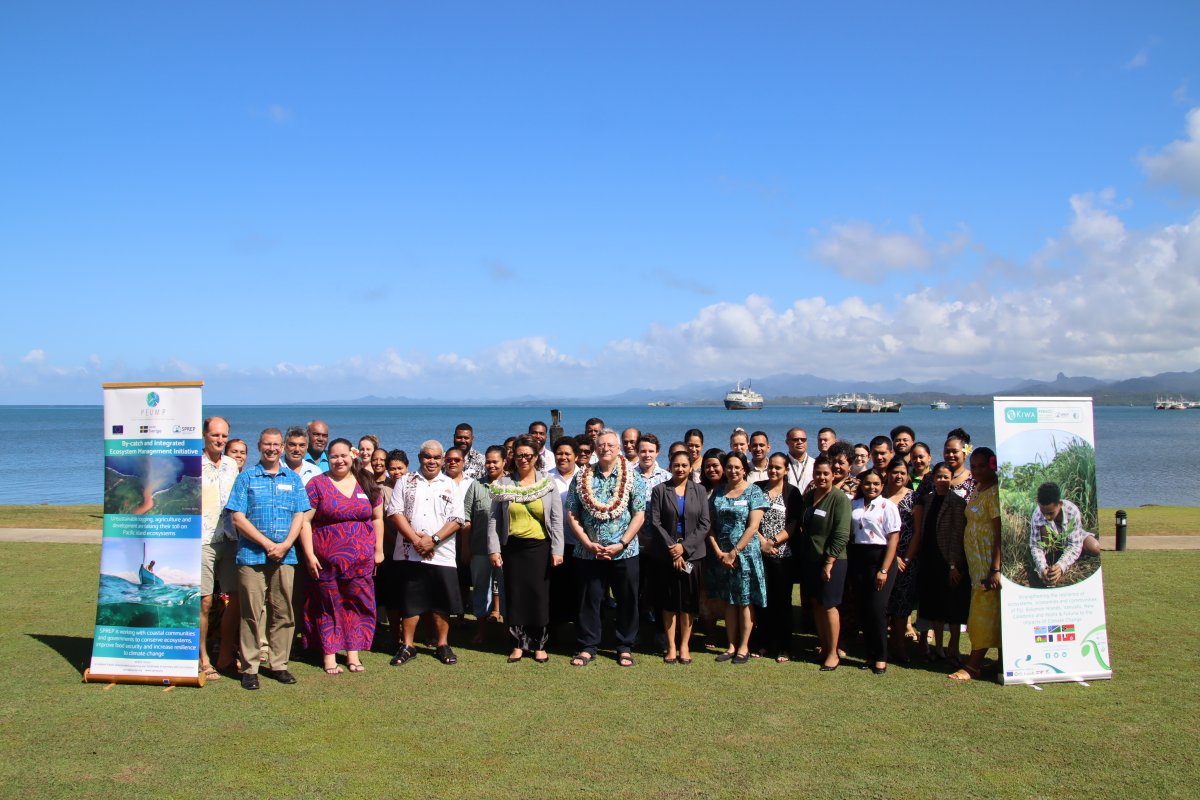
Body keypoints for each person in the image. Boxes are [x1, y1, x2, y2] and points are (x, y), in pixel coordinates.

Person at [226, 428, 312, 690]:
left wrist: (285, 544)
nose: (272, 449)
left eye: (276, 445)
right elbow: (237, 517)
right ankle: (250, 667)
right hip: (251, 556)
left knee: (283, 611)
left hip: (285, 556)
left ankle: (279, 664)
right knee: (251, 613)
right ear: (260, 446)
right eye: (267, 444)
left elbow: (300, 514)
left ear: (283, 447)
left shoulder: (293, 479)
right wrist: (266, 544)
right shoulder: (247, 478)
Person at [299, 439, 384, 675]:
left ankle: (353, 654)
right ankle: (329, 656)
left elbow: (377, 518)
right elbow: (305, 521)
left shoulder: (366, 482)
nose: (339, 460)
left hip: (361, 560)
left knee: (356, 605)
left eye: (344, 456)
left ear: (352, 456)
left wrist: (378, 550)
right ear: (329, 458)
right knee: (328, 606)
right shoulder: (317, 484)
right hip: (326, 561)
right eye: (334, 456)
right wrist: (308, 555)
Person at [564, 429, 646, 667]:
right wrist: (587, 543)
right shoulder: (581, 477)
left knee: (627, 598)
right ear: (595, 449)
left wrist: (622, 543)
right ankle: (588, 645)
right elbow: (572, 513)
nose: (606, 448)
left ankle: (624, 645)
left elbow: (639, 514)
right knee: (589, 599)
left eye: (611, 444)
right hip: (589, 552)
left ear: (618, 448)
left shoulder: (633, 477)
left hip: (625, 551)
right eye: (601, 445)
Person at [386, 440, 466, 667]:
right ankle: (408, 645)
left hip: (442, 554)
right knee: (411, 601)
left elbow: (457, 519)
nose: (431, 461)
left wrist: (433, 541)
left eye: (436, 457)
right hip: (409, 553)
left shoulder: (451, 484)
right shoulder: (405, 481)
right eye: (427, 457)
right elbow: (395, 512)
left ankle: (442, 644)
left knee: (441, 602)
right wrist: (415, 540)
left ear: (442, 459)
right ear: (420, 457)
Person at [488, 436, 565, 662]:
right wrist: (494, 549)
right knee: (515, 595)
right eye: (519, 455)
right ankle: (518, 644)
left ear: (536, 457)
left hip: (540, 547)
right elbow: (494, 520)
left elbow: (556, 519)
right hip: (512, 548)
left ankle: (539, 644)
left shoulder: (548, 483)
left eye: (527, 456)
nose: (523, 460)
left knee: (539, 596)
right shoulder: (504, 484)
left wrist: (557, 550)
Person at [647, 449, 711, 664]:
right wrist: (673, 548)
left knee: (688, 603)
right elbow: (655, 523)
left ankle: (684, 646)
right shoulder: (660, 490)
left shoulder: (700, 490)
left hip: (692, 556)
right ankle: (671, 646)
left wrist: (684, 548)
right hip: (666, 555)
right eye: (676, 465)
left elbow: (704, 524)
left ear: (690, 467)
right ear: (670, 466)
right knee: (669, 602)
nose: (680, 469)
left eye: (684, 465)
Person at [706, 451, 769, 664]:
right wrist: (718, 551)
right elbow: (710, 526)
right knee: (729, 601)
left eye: (737, 467)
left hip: (745, 555)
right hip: (722, 557)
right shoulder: (718, 492)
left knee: (744, 601)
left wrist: (734, 552)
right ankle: (731, 645)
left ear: (744, 469)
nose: (733, 471)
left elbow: (753, 527)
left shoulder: (754, 493)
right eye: (729, 467)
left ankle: (744, 647)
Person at [950, 447, 1002, 681]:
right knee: (993, 612)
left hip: (989, 565)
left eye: (983, 465)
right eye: (976, 465)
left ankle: (974, 664)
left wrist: (996, 568)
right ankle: (1002, 662)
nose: (978, 470)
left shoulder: (996, 492)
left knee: (983, 614)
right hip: (976, 564)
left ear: (993, 465)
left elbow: (1001, 533)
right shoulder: (979, 488)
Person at [909, 462, 968, 663]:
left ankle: (954, 647)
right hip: (929, 559)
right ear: (933, 479)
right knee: (934, 606)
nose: (942, 480)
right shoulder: (928, 500)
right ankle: (939, 648)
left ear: (951, 479)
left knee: (952, 608)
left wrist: (953, 564)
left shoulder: (957, 503)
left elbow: (957, 535)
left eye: (946, 476)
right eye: (938, 476)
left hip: (948, 561)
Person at [799, 455, 851, 671]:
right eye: (818, 473)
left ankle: (833, 652)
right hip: (811, 559)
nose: (821, 477)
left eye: (825, 473)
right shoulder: (809, 496)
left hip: (833, 561)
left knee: (829, 605)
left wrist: (829, 561)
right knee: (816, 604)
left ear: (833, 475)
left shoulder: (839, 498)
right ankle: (823, 645)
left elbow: (842, 533)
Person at [199, 416, 241, 679]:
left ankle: (226, 655)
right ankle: (202, 657)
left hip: (231, 538)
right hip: (203, 540)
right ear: (205, 435)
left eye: (224, 435)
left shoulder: (230, 465)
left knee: (234, 599)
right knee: (204, 601)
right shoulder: (192, 464)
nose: (220, 440)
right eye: (215, 435)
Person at [848, 469, 900, 674]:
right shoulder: (854, 505)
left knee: (878, 609)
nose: (871, 487)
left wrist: (884, 569)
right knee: (863, 609)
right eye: (867, 483)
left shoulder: (888, 506)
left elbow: (893, 538)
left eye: (876, 484)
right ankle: (870, 654)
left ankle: (881, 657)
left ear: (882, 485)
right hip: (858, 557)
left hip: (880, 559)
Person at [753, 452, 802, 662]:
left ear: (786, 470)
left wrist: (772, 541)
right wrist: (762, 542)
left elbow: (793, 524)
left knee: (782, 602)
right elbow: (751, 519)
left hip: (784, 556)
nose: (773, 471)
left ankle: (784, 646)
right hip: (759, 552)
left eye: (778, 468)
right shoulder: (757, 489)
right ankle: (764, 642)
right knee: (762, 600)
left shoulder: (792, 493)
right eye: (771, 467)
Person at [469, 446, 507, 644]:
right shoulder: (476, 485)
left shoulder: (511, 484)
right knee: (481, 589)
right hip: (480, 549)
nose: (491, 465)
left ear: (504, 462)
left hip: (506, 550)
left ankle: (508, 630)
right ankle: (481, 630)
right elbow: (467, 519)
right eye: (488, 462)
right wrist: (467, 549)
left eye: (495, 462)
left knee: (506, 588)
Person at [1029, 482, 1101, 586]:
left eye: (1050, 513)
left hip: (1071, 536)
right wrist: (1042, 568)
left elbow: (1075, 545)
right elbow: (1036, 546)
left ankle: (1070, 555)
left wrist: (1061, 565)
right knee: (1044, 531)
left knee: (1095, 548)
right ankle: (1058, 554)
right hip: (1052, 542)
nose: (1046, 517)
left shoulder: (1072, 510)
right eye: (1043, 512)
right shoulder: (1037, 516)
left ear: (1060, 504)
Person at [883, 458, 919, 662]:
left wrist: (905, 557)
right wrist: (891, 557)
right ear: (888, 473)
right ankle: (883, 646)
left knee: (901, 606)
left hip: (907, 560)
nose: (898, 476)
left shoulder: (913, 498)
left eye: (903, 473)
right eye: (895, 472)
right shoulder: (879, 495)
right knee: (883, 604)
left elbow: (917, 531)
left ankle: (899, 646)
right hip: (884, 558)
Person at [784, 428, 813, 492]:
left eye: (803, 440)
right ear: (787, 442)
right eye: (795, 440)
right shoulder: (781, 464)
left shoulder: (815, 464)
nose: (800, 442)